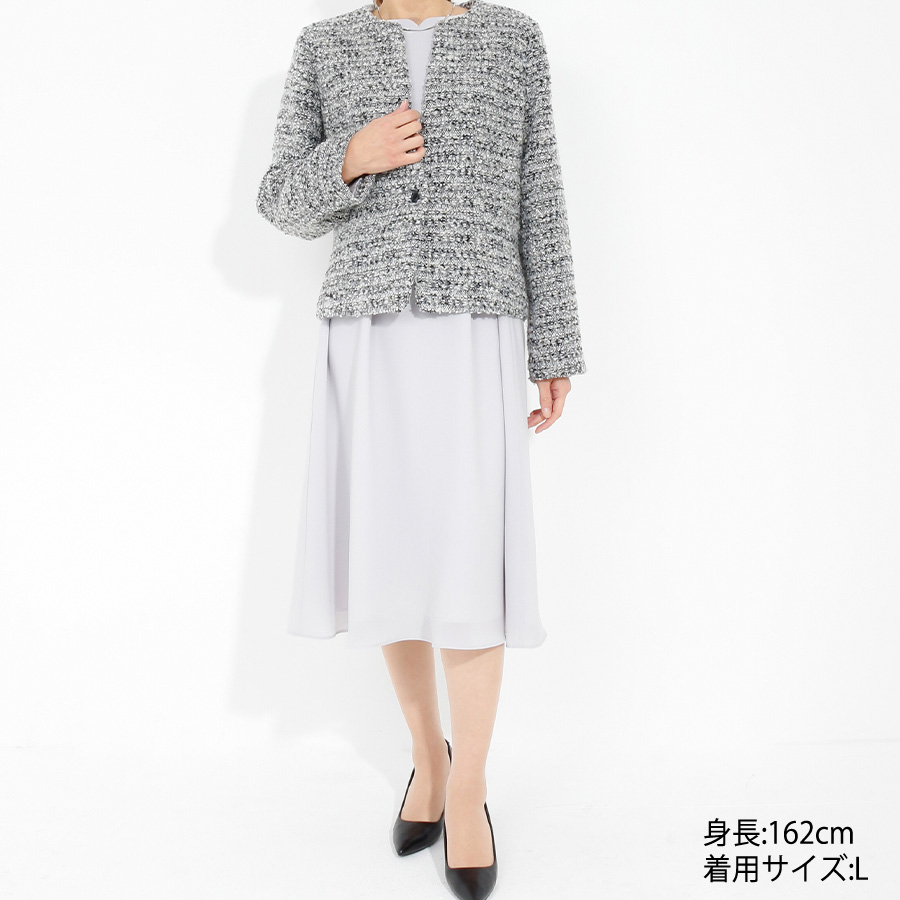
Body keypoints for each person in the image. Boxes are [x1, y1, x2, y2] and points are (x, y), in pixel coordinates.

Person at [256, 1, 586, 897]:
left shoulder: (513, 38)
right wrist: (350, 157)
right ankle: (426, 762)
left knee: (470, 559)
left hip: (478, 324)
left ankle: (469, 789)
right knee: (392, 555)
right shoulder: (325, 44)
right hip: (369, 330)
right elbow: (279, 200)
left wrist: (554, 344)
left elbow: (541, 194)